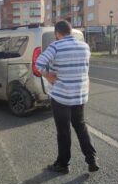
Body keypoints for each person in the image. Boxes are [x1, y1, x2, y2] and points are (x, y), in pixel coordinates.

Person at [35, 20, 99, 174]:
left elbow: (39, 63)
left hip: (61, 96)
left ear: (57, 33)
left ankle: (63, 164)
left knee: (64, 130)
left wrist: (47, 75)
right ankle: (92, 159)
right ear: (70, 31)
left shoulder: (55, 46)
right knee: (80, 126)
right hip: (80, 94)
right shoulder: (85, 46)